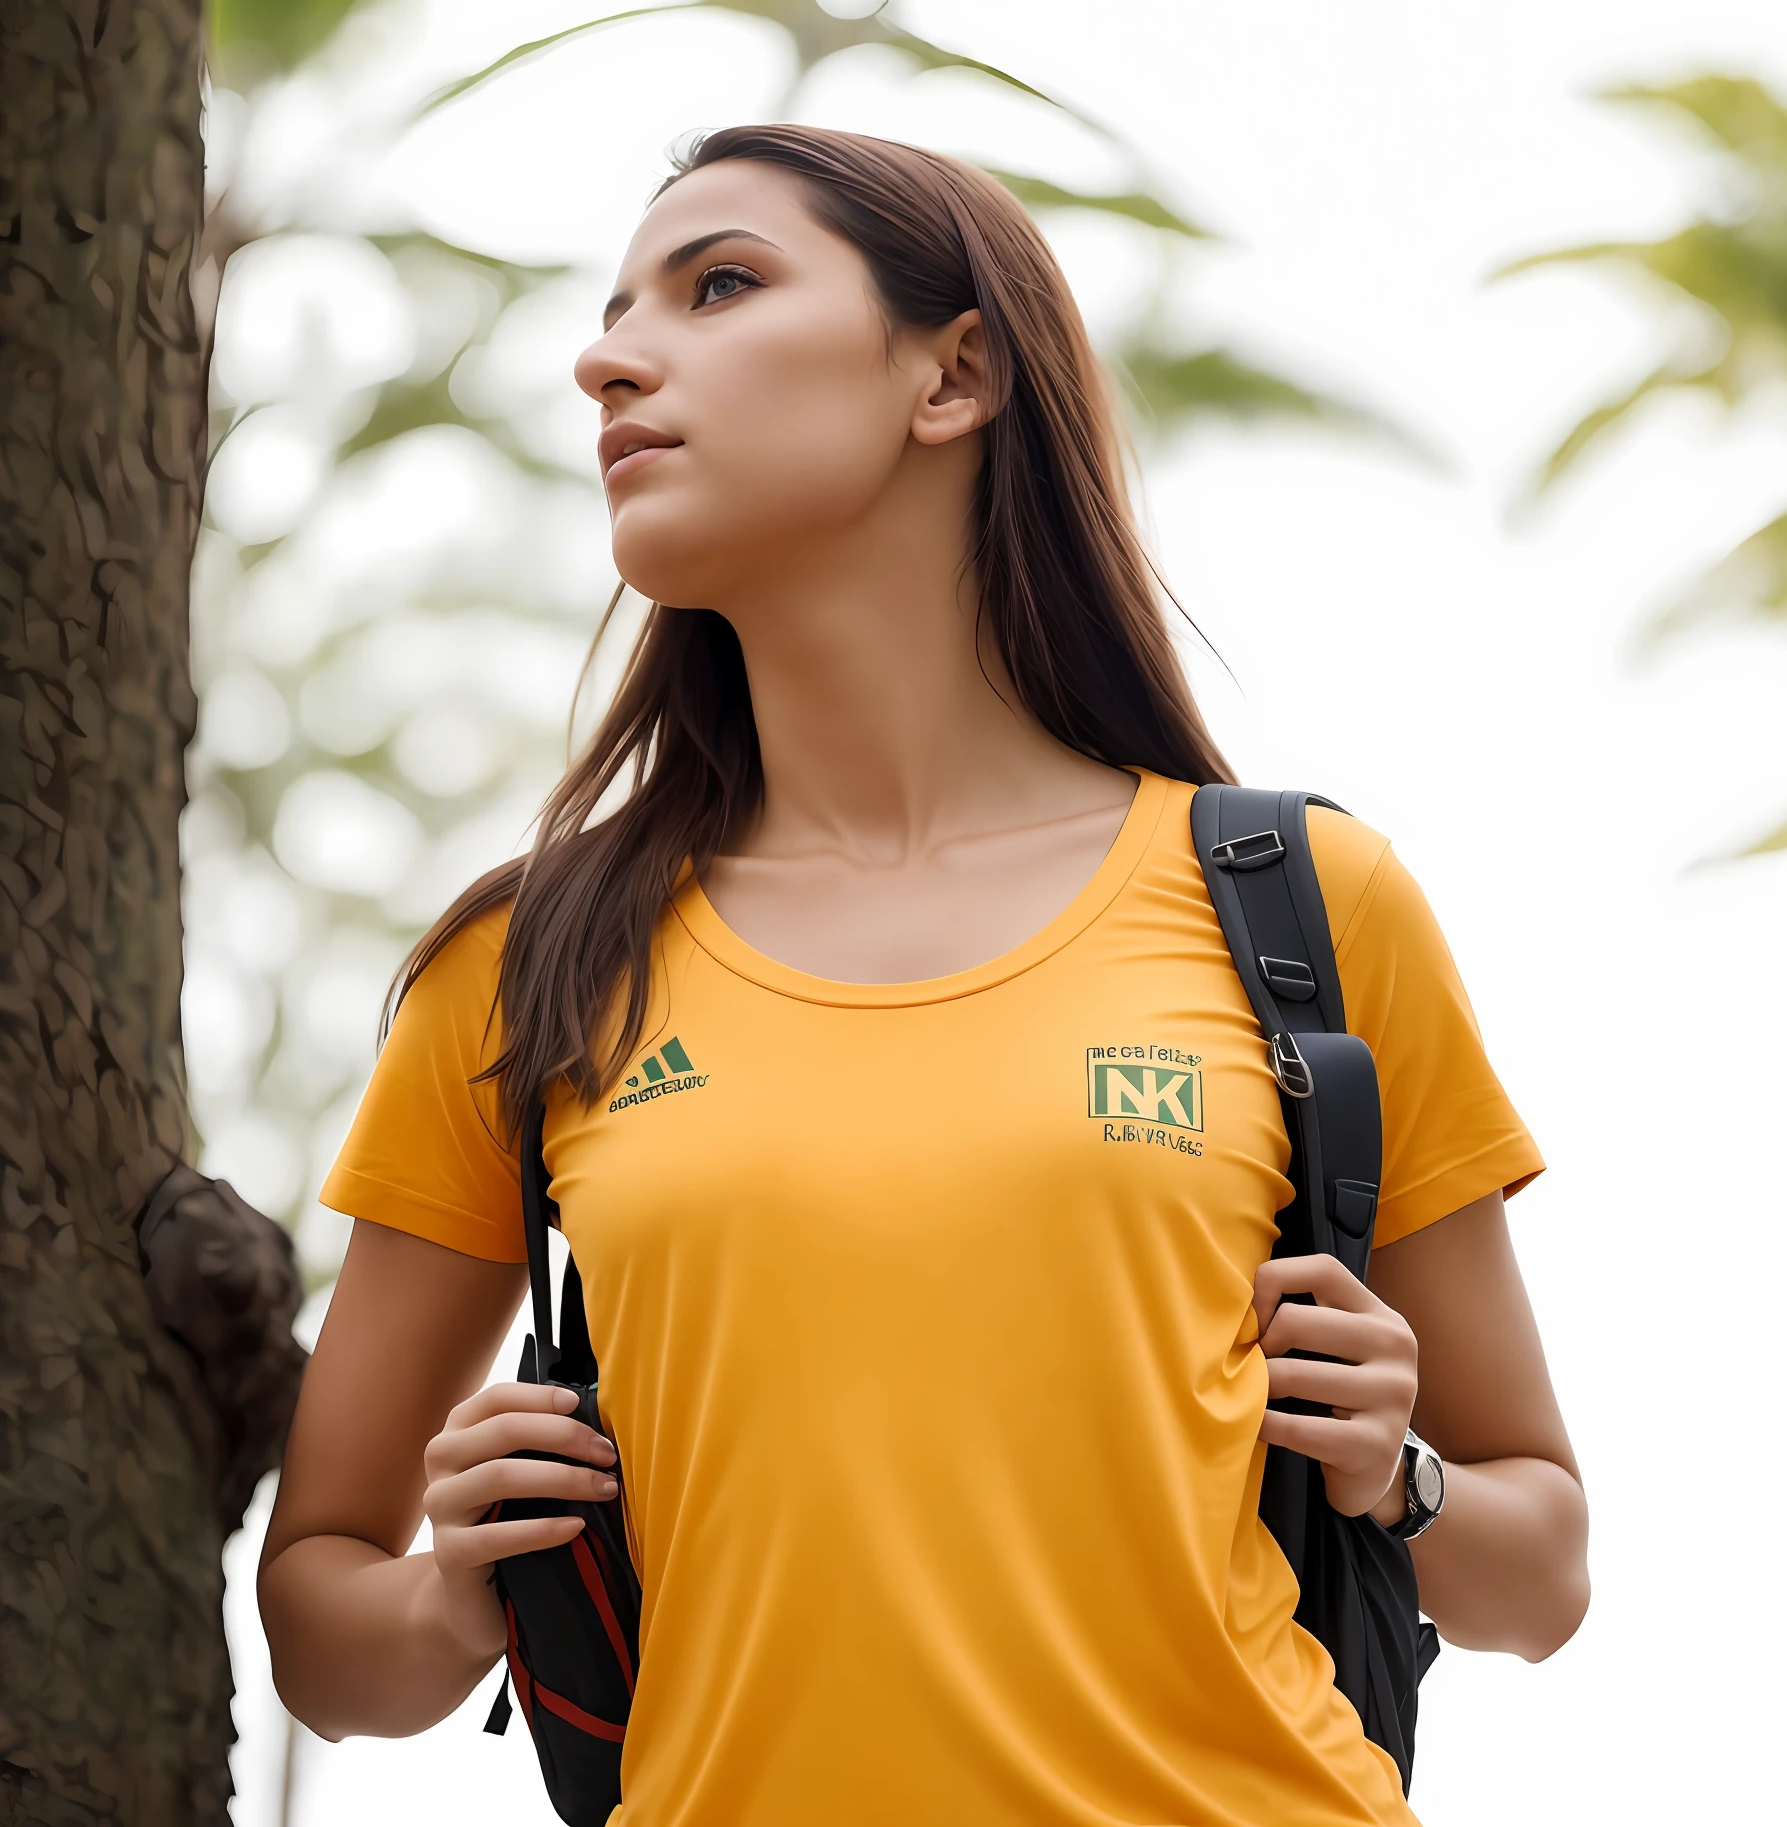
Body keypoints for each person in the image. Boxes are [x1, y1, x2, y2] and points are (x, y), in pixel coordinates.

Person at [259, 126, 1589, 1826]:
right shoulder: (531, 971)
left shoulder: (1305, 908)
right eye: (609, 315)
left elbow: (1538, 1576)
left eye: (720, 284)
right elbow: (319, 1618)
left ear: (953, 374)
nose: (606, 356)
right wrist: (463, 1591)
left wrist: (1391, 1474)